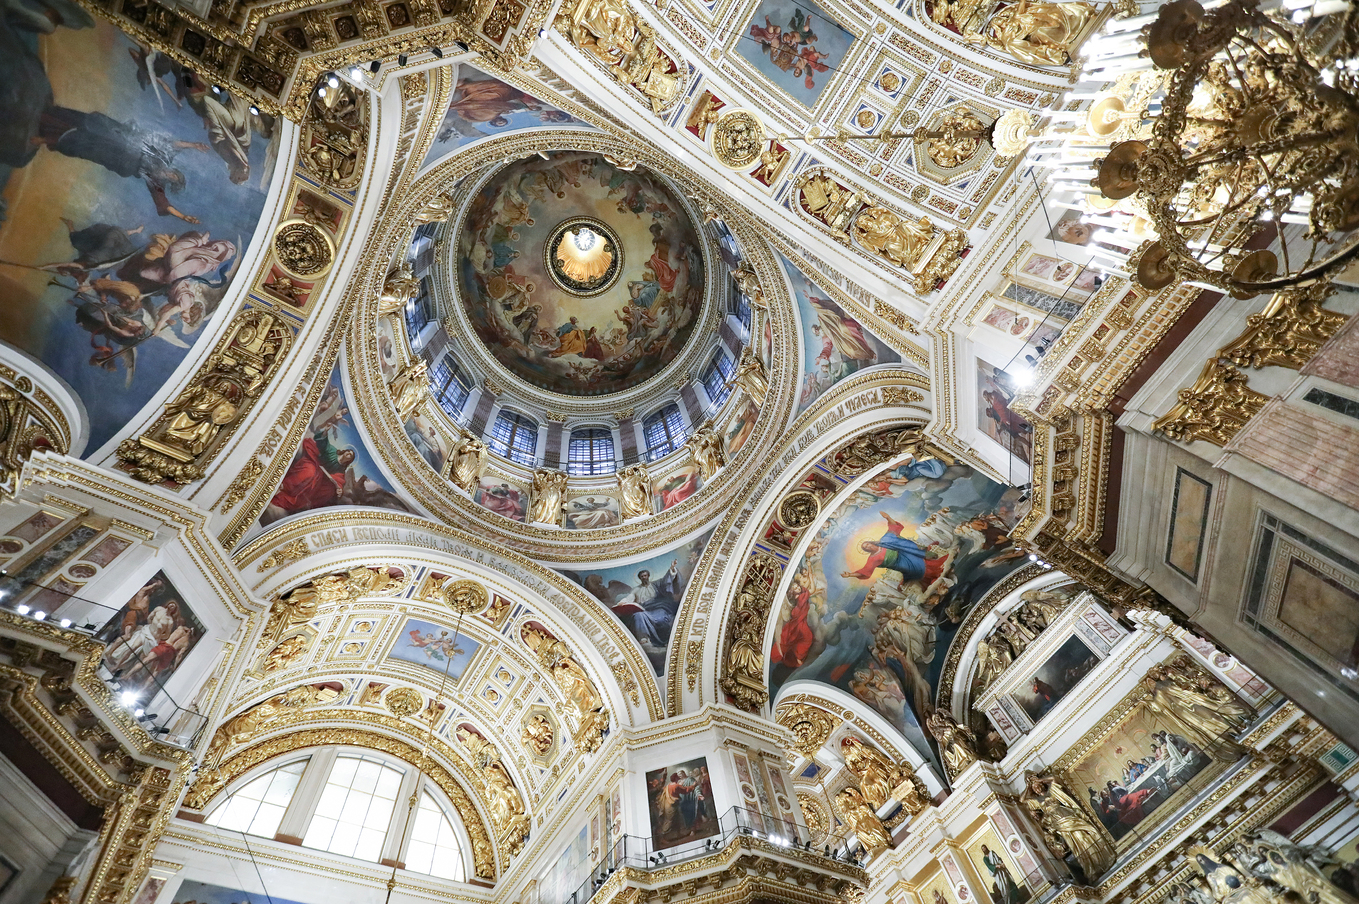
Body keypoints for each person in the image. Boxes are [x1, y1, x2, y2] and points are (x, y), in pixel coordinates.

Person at [841, 511, 949, 587]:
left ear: (870, 542)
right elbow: (864, 572)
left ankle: (941, 568)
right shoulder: (872, 559)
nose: (868, 546)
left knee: (920, 561)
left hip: (905, 554)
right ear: (867, 551)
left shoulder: (884, 541)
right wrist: (850, 575)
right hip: (899, 564)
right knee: (916, 570)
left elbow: (893, 528)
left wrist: (888, 517)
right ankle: (934, 576)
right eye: (865, 548)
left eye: (867, 544)